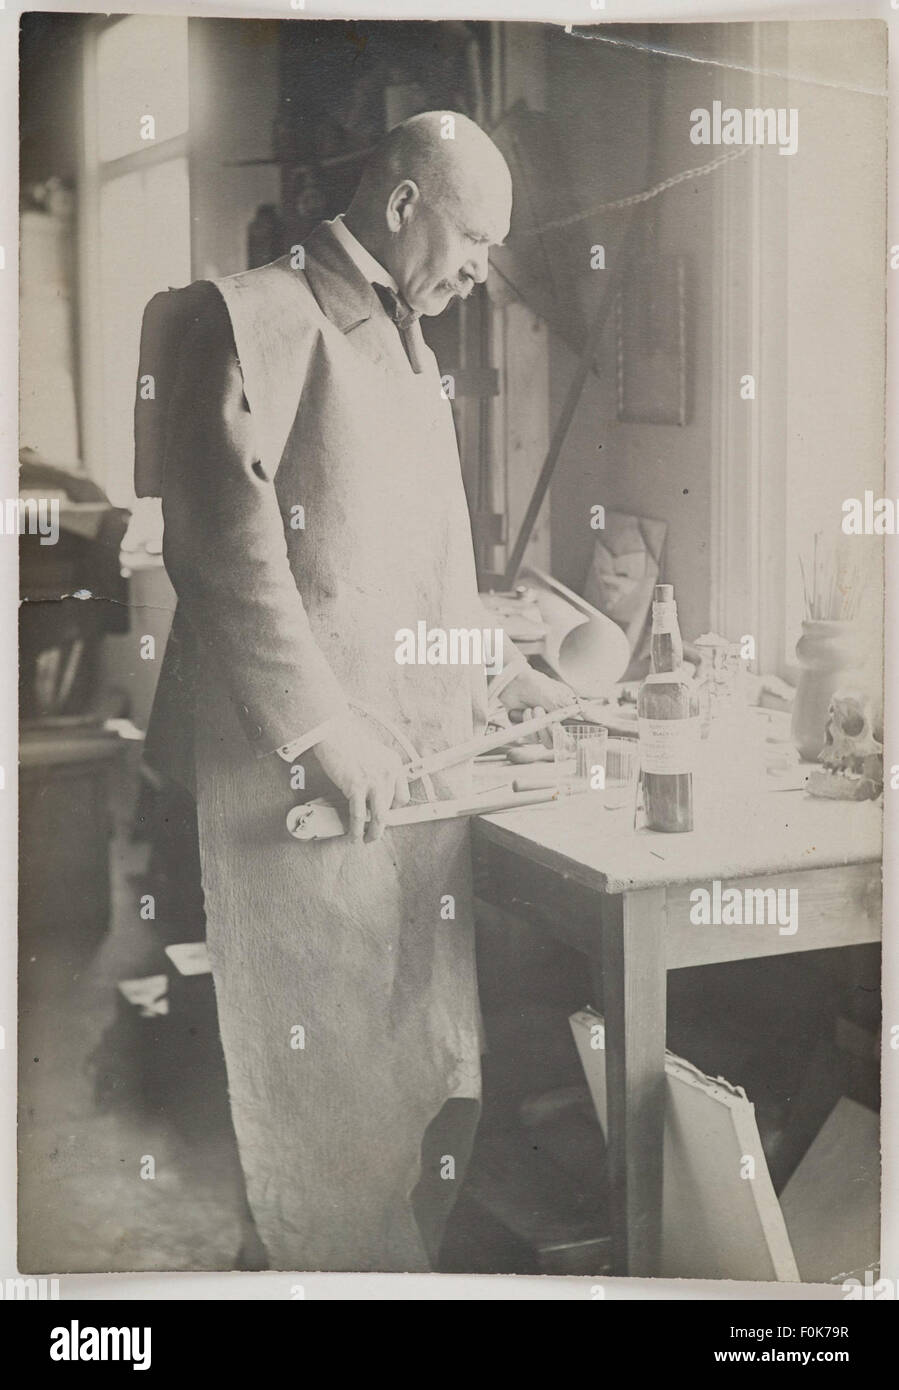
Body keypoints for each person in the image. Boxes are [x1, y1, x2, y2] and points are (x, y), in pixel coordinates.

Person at [136, 110, 572, 1272]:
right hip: (292, 776)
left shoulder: (403, 341)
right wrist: (321, 726)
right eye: (472, 240)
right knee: (314, 1091)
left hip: (400, 774)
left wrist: (501, 671)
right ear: (399, 206)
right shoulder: (257, 316)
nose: (479, 275)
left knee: (410, 1079)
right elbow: (224, 552)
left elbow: (413, 560)